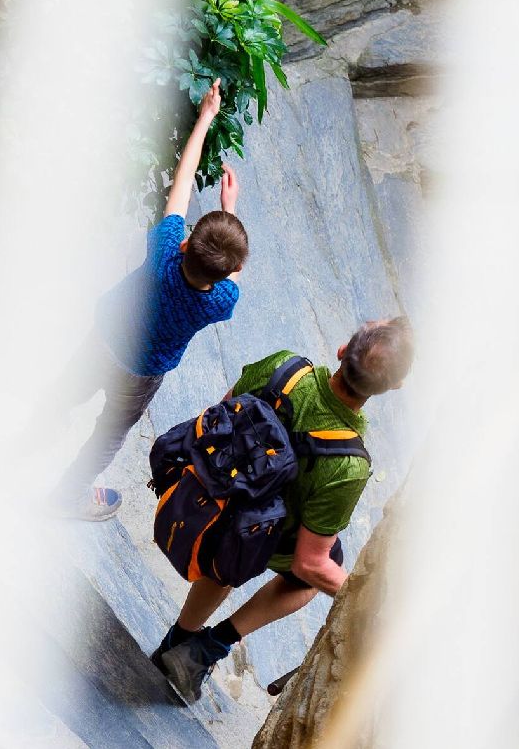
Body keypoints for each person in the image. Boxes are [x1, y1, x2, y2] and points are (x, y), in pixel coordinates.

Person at [152, 317, 415, 700]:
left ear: (343, 350)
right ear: (394, 387)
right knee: (314, 569)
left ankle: (179, 640)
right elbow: (309, 564)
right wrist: (360, 594)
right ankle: (205, 649)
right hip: (251, 536)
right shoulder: (349, 463)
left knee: (240, 528)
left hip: (208, 495)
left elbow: (221, 414)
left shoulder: (285, 367)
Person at [55, 79, 248, 520]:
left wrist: (205, 117)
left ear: (184, 244)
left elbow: (181, 181)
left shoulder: (164, 250)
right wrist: (232, 208)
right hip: (141, 372)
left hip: (105, 334)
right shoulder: (221, 301)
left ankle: (36, 427)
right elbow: (235, 272)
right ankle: (69, 494)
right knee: (109, 433)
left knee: (70, 385)